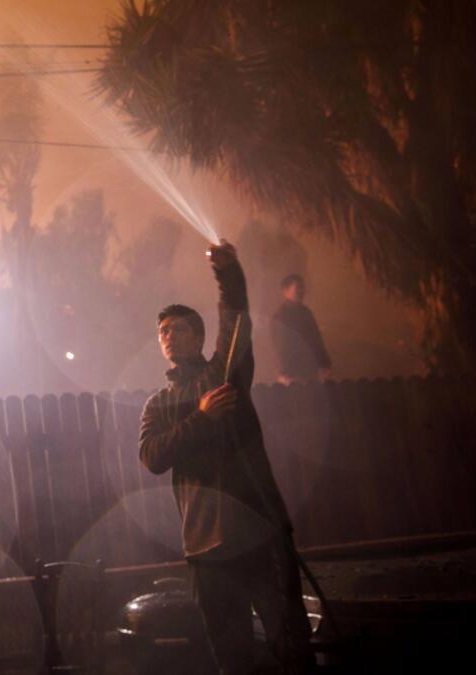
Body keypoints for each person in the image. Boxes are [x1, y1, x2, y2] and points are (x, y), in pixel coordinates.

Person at [139, 241, 313, 674]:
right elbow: (153, 457)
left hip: (258, 532)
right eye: (163, 331)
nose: (169, 336)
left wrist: (229, 275)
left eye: (178, 328)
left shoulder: (224, 375)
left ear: (198, 337)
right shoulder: (157, 405)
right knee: (231, 658)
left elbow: (235, 323)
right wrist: (199, 418)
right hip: (203, 549)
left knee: (290, 648)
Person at [270, 274, 331, 384]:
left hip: (309, 371)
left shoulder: (306, 313)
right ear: (286, 291)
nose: (302, 291)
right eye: (298, 287)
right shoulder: (281, 316)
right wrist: (285, 373)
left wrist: (324, 363)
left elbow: (316, 340)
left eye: (303, 287)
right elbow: (280, 347)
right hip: (292, 374)